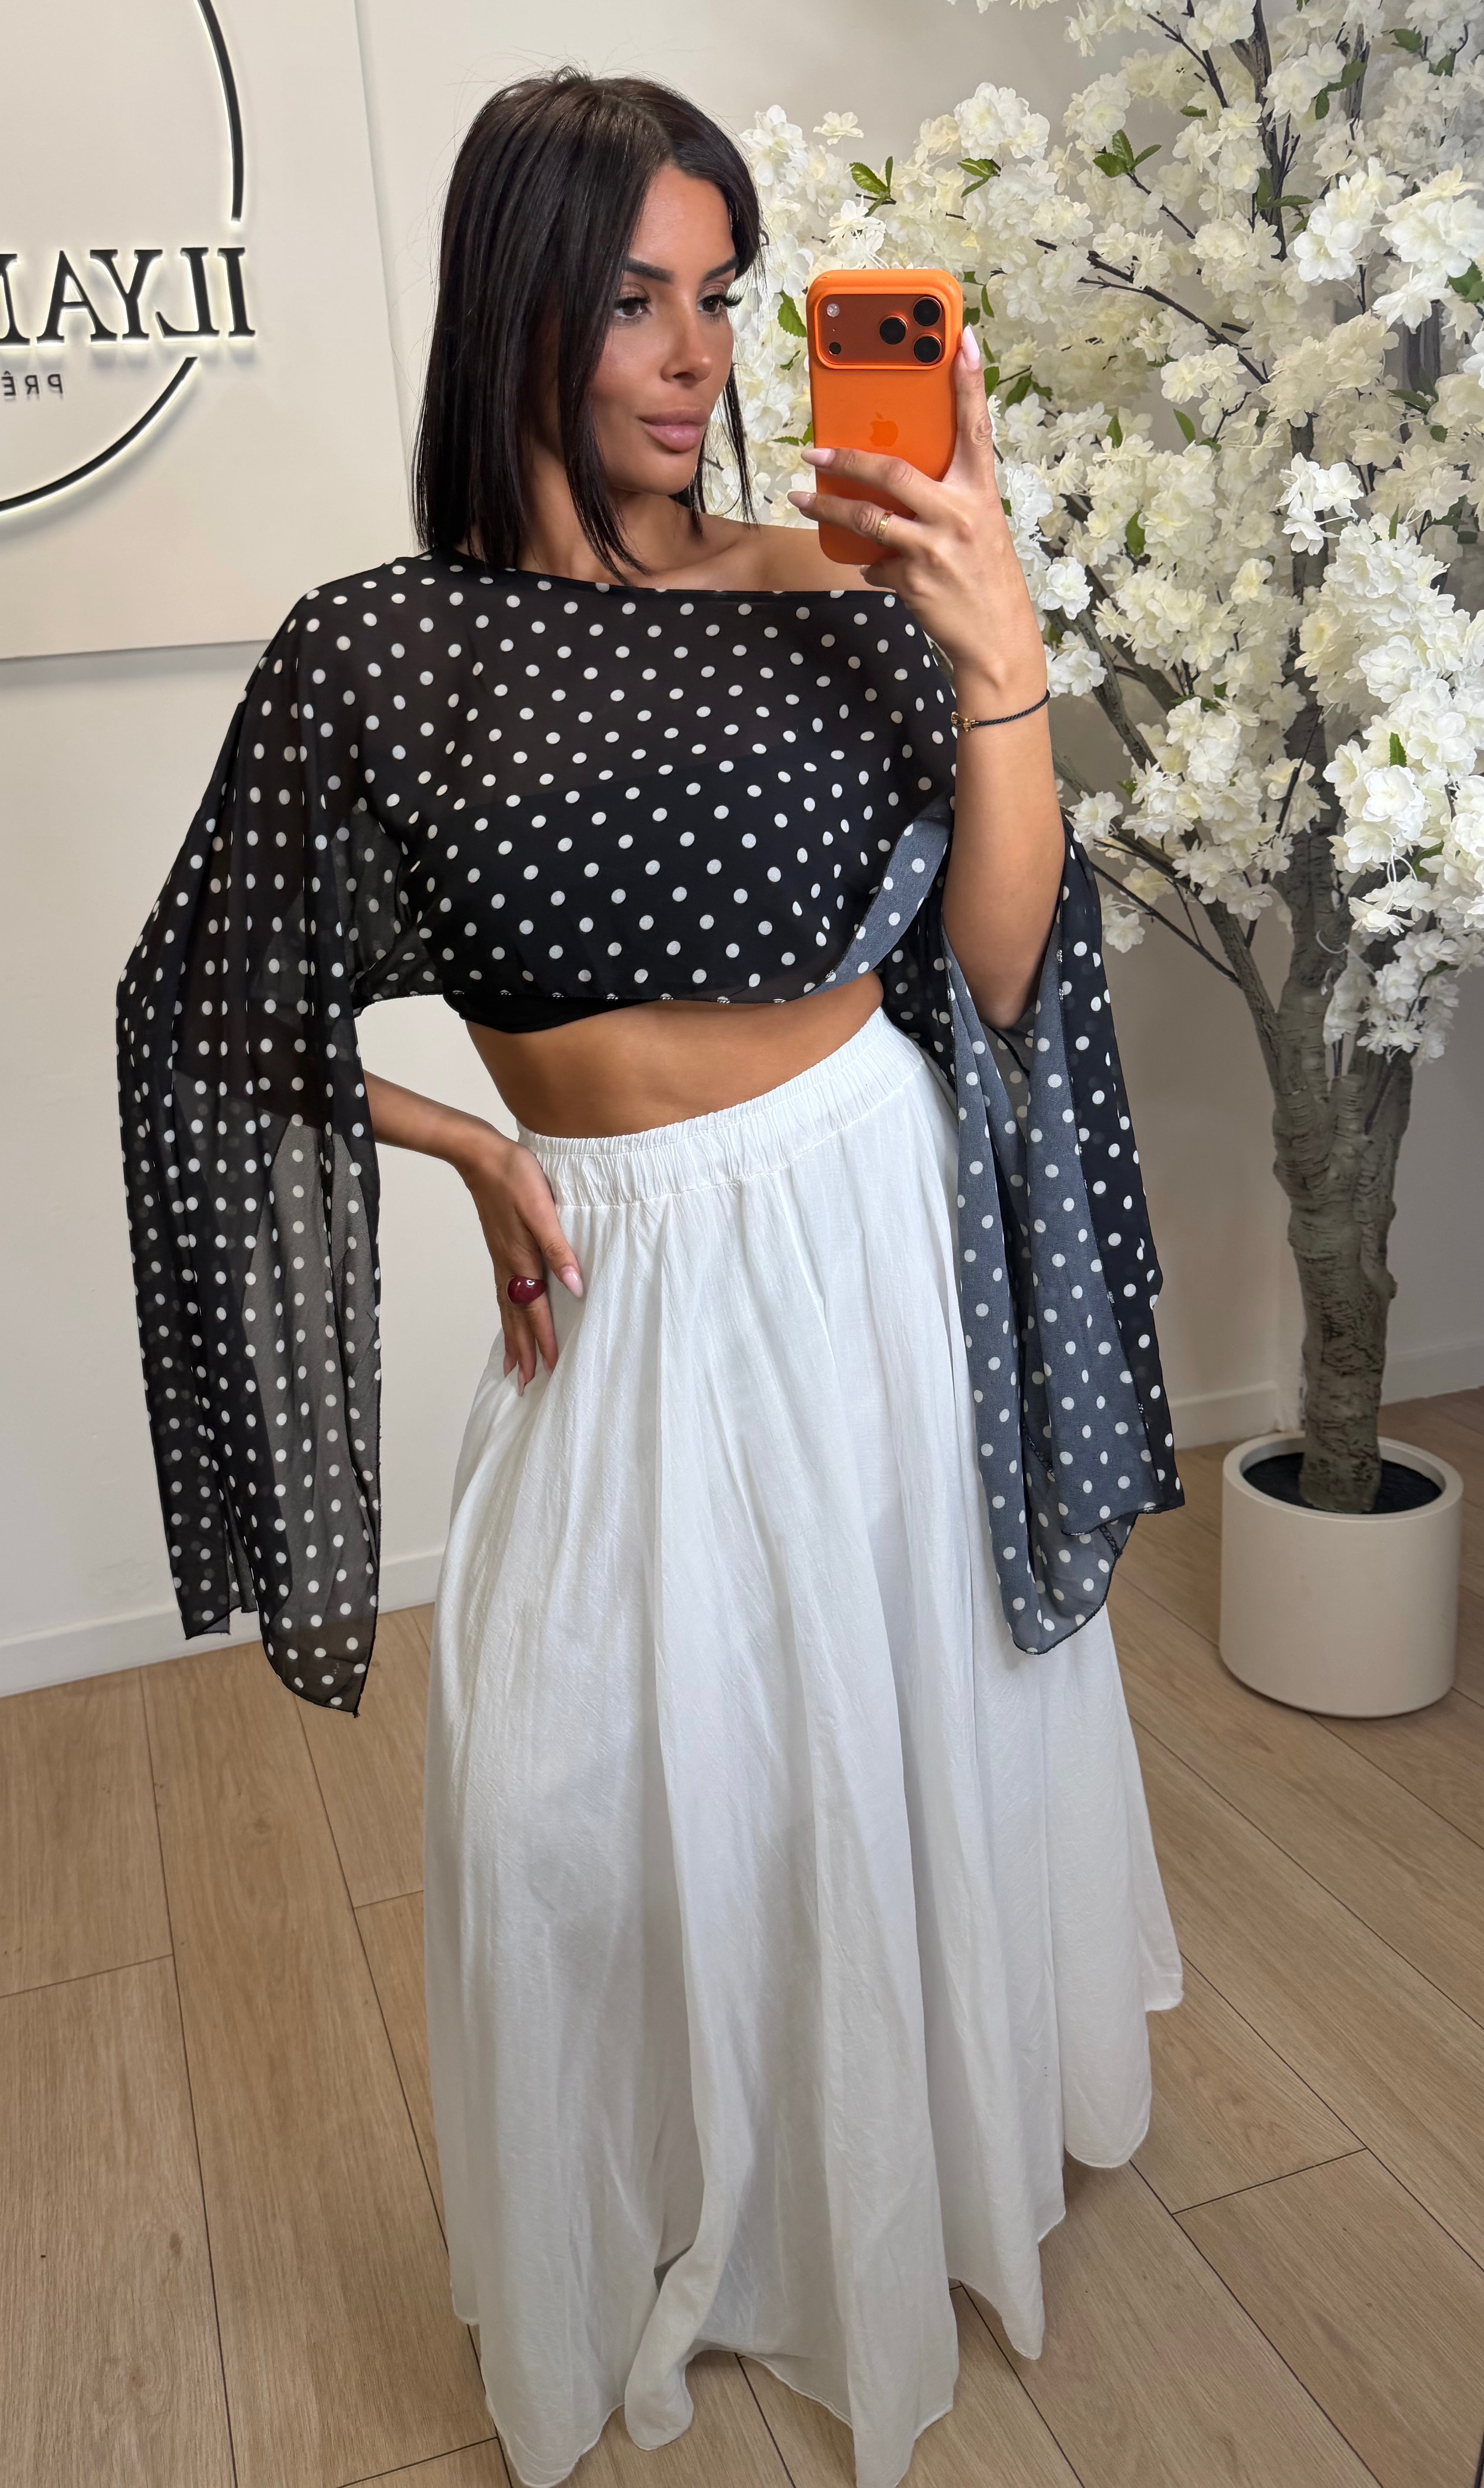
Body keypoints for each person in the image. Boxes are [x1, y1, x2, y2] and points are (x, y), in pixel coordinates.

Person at [117, 68, 1183, 2488]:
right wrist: (461, 1138)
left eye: (721, 295)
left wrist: (996, 643)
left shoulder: (839, 597)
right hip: (629, 1268)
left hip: (871, 1226)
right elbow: (204, 1015)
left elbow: (1002, 968)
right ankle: (681, 2204)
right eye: (632, 300)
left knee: (890, 1737)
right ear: (518, 305)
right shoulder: (375, 656)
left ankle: (886, 2188)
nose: (697, 355)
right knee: (571, 1806)